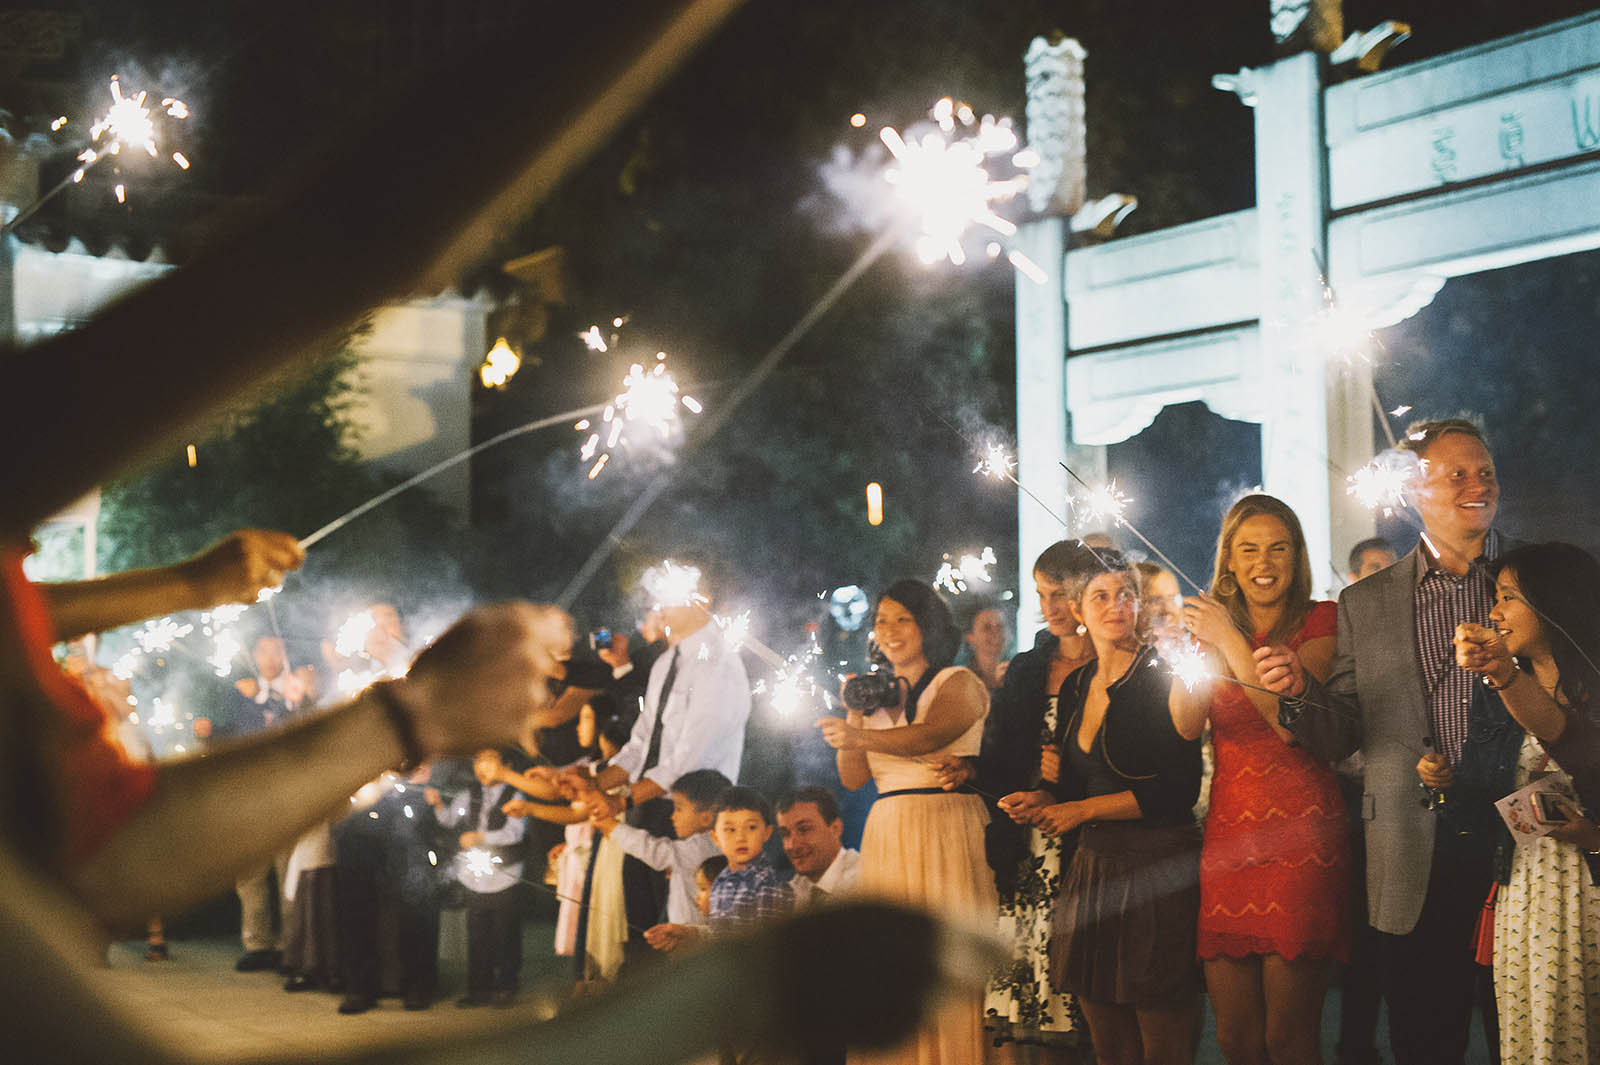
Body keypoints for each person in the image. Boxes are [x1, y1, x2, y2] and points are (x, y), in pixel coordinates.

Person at [1257, 418, 1524, 1065]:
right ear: (1412, 492)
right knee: (1423, 1042)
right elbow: (1342, 725)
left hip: (1518, 852)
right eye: (1455, 473)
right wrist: (1299, 691)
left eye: (1484, 471)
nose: (1476, 484)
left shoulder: (1527, 583)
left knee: (1530, 1040)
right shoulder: (1366, 601)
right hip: (1412, 849)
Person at [999, 550, 1203, 1065]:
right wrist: (1044, 800)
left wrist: (1082, 811)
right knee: (1108, 1044)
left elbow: (1177, 790)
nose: (1117, 605)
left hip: (1154, 867)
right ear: (1079, 611)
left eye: (1126, 594)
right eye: (1101, 596)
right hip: (1092, 869)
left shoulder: (1162, 676)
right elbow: (1072, 788)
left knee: (1162, 1041)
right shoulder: (1074, 686)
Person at [1174, 495, 1348, 1065]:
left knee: (1288, 1040)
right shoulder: (1216, 628)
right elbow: (1183, 724)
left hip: (1301, 836)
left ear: (1297, 558)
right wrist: (1188, 649)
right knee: (1235, 1039)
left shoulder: (1322, 621)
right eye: (1247, 549)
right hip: (1229, 838)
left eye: (1278, 548)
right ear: (1228, 560)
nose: (1263, 562)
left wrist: (1228, 640)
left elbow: (1288, 724)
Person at [817, 578, 996, 1065]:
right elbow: (853, 778)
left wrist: (861, 739)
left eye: (903, 620)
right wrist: (853, 716)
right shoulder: (869, 692)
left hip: (947, 826)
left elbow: (928, 736)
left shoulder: (956, 682)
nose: (891, 631)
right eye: (882, 621)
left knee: (949, 958)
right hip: (890, 832)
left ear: (927, 626)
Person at [1453, 542, 1600, 1064]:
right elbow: (1479, 792)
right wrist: (1442, 780)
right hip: (1526, 889)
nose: (1494, 612)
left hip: (1587, 888)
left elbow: (1570, 738)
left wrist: (1594, 838)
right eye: (1495, 596)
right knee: (1529, 1039)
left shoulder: (1587, 685)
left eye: (1509, 597)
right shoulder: (1496, 692)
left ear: (1553, 602)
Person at [968, 539, 1101, 1060]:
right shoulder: (1028, 669)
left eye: (1060, 594)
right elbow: (1002, 756)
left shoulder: (1116, 664)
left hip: (1091, 844)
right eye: (1041, 594)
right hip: (1032, 851)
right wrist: (981, 773)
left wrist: (1061, 783)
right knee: (1038, 1013)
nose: (1049, 608)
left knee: (1092, 1005)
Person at [579, 562, 752, 954]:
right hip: (647, 806)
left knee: (681, 928)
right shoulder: (663, 663)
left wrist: (620, 800)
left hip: (692, 816)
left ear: (701, 599)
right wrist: (593, 784)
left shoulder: (718, 665)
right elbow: (641, 742)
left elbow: (687, 760)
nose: (658, 603)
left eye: (671, 592)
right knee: (640, 927)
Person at [430, 749, 529, 1008]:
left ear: (505, 764)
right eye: (477, 761)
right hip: (473, 878)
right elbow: (450, 820)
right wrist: (439, 804)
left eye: (489, 760)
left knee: (505, 933)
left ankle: (507, 985)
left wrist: (482, 838)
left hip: (505, 877)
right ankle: (479, 988)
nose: (481, 767)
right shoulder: (468, 795)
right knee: (477, 934)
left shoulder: (515, 794)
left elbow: (515, 833)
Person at [593, 768, 728, 950]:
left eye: (679, 809)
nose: (673, 816)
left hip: (692, 938)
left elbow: (655, 852)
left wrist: (613, 828)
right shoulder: (716, 844)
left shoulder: (699, 847)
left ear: (706, 817)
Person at [705, 786, 794, 933]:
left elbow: (768, 944)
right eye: (730, 830)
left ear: (767, 832)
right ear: (715, 837)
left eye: (751, 827)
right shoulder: (720, 880)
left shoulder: (769, 883)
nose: (741, 838)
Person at [776, 787, 860, 907]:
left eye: (804, 830)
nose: (792, 846)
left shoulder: (868, 882)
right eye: (785, 834)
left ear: (835, 829)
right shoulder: (794, 889)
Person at [962, 602, 1011, 693]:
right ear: (970, 637)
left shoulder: (1017, 674)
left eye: (1000, 626)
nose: (996, 632)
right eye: (987, 627)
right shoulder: (964, 680)